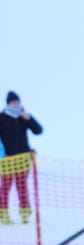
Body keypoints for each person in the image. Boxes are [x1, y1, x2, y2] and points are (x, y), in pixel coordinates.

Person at [0, 91, 43, 224]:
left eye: (17, 102)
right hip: (7, 159)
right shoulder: (2, 118)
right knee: (5, 187)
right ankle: (3, 213)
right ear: (8, 103)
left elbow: (38, 130)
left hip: (23, 158)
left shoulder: (23, 116)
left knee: (22, 185)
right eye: (13, 102)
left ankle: (25, 213)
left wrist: (29, 119)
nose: (16, 104)